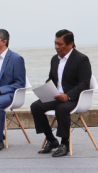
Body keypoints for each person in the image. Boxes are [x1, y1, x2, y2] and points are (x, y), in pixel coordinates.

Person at [30, 29, 92, 157]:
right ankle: (51, 140)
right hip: (56, 96)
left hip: (75, 98)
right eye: (55, 43)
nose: (56, 47)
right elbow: (51, 79)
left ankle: (65, 143)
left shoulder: (82, 59)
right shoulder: (54, 59)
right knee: (35, 106)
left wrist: (68, 96)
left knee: (62, 108)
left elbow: (84, 83)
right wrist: (46, 88)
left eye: (60, 44)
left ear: (70, 44)